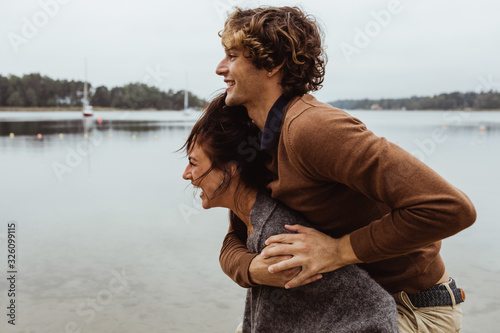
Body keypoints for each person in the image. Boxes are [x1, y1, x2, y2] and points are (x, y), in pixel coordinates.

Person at [215, 6, 476, 332]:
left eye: (232, 55)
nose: (219, 68)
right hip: (340, 308)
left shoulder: (313, 128)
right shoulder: (255, 137)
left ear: (273, 63)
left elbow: (449, 208)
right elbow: (234, 238)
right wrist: (254, 269)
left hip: (410, 308)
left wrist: (340, 250)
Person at [181, 93, 398, 332]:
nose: (186, 174)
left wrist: (339, 251)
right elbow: (231, 244)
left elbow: (375, 310)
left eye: (193, 163)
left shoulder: (277, 236)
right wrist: (251, 268)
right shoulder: (252, 213)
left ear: (229, 171)